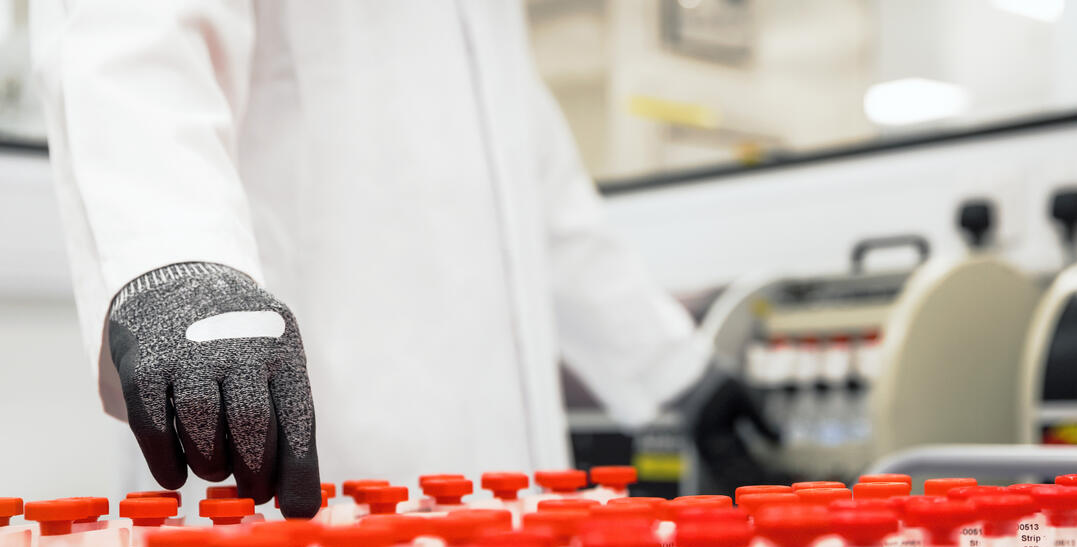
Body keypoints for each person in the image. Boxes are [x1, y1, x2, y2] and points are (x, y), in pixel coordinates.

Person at [32, 2, 775, 517]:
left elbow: (525, 173)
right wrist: (180, 267)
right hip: (305, 439)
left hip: (504, 488)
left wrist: (672, 372)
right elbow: (130, 42)